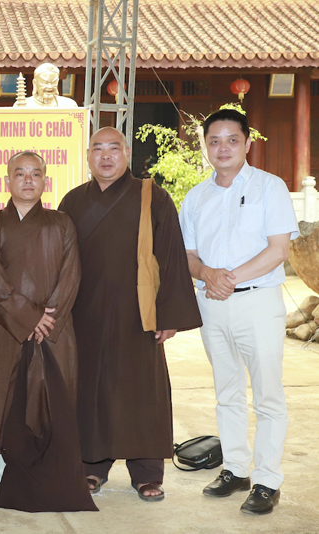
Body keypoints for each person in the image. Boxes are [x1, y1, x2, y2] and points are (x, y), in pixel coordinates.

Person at [58, 127, 201, 502]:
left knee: (142, 391)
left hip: (139, 311)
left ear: (126, 154)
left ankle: (147, 473)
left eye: (113, 148)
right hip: (85, 312)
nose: (105, 156)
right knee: (90, 390)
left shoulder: (153, 197)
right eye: (97, 149)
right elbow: (58, 258)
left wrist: (169, 315)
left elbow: (170, 254)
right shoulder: (73, 200)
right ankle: (91, 466)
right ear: (88, 156)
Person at [180, 109, 297, 515]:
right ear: (205, 146)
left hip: (257, 303)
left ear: (247, 143)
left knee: (267, 395)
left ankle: (267, 481)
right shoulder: (196, 197)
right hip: (212, 305)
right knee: (226, 392)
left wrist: (227, 278)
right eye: (214, 141)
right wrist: (207, 275)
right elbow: (187, 255)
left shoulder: (270, 187)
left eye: (232, 139)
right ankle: (235, 469)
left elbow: (279, 250)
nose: (223, 148)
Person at [0, 151, 95, 513]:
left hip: (55, 331)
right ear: (7, 181)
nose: (28, 180)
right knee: (7, 401)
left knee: (55, 405)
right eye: (20, 173)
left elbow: (71, 276)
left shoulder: (62, 223)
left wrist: (46, 319)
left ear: (45, 181)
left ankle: (56, 477)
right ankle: (8, 475)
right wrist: (30, 318)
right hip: (7, 330)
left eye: (35, 174)